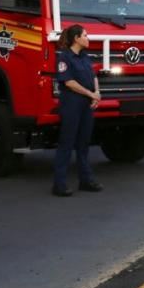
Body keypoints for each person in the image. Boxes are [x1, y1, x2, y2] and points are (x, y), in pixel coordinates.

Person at [53, 24, 104, 196]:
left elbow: (93, 75)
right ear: (76, 38)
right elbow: (69, 82)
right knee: (67, 142)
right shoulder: (64, 58)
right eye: (85, 35)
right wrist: (90, 93)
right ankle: (59, 183)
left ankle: (85, 180)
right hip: (72, 102)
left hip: (86, 103)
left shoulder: (84, 57)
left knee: (83, 143)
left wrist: (96, 93)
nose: (88, 38)